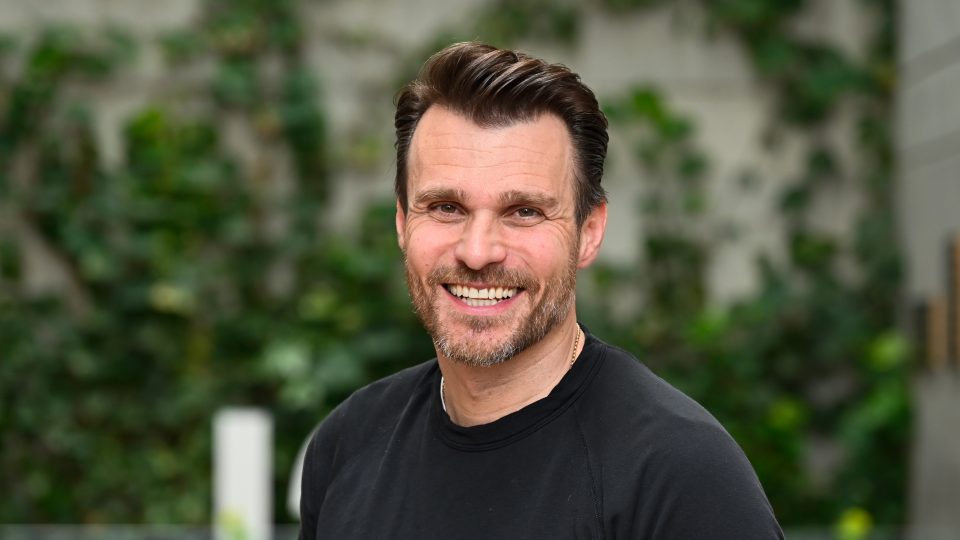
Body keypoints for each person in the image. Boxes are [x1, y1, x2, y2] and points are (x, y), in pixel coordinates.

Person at [298, 41, 783, 539]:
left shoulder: (680, 475)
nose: (478, 252)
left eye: (524, 212)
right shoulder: (348, 445)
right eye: (446, 207)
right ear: (403, 221)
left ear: (588, 232)